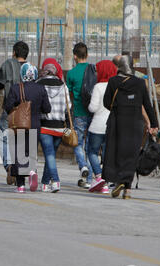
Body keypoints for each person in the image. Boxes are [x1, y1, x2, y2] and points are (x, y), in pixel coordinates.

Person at [102, 55, 158, 199]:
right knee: (131, 154)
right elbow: (147, 104)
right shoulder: (140, 83)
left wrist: (117, 109)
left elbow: (106, 101)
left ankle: (118, 181)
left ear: (119, 66)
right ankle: (127, 189)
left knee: (116, 152)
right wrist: (154, 123)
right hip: (135, 123)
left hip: (117, 121)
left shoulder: (113, 81)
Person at [4, 63, 51, 193]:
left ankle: (20, 186)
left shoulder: (15, 88)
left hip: (19, 124)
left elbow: (7, 107)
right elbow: (47, 108)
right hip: (35, 124)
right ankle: (31, 172)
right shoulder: (41, 89)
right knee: (31, 152)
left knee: (19, 154)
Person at [0, 41, 29, 185]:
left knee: (4, 138)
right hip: (27, 111)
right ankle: (22, 170)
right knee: (24, 141)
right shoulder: (31, 68)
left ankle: (9, 165)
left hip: (10, 110)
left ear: (14, 52)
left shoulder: (8, 64)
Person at [36, 58, 68, 193]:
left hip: (45, 125)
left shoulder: (39, 84)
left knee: (49, 154)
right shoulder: (63, 85)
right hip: (59, 126)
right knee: (51, 155)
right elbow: (68, 106)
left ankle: (55, 181)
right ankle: (44, 183)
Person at [87, 60, 118, 193]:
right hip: (111, 125)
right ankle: (106, 182)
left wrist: (88, 105)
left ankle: (99, 176)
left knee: (92, 152)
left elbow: (93, 108)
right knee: (107, 153)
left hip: (97, 125)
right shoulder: (117, 86)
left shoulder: (98, 87)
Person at [66, 42, 93, 189]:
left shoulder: (71, 74)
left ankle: (82, 166)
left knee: (77, 142)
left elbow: (68, 94)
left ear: (75, 56)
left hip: (78, 114)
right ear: (87, 55)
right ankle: (88, 179)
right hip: (93, 113)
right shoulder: (93, 71)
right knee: (90, 146)